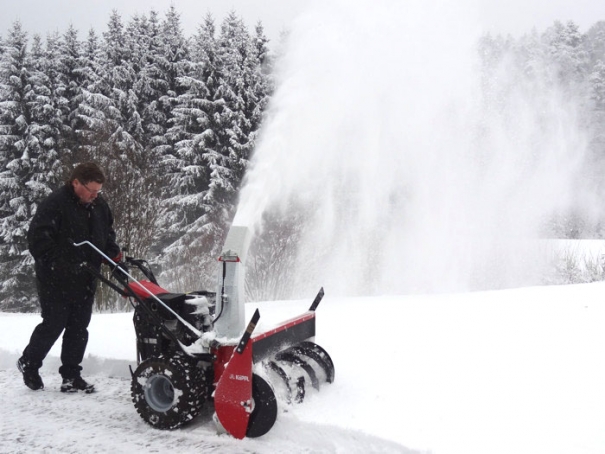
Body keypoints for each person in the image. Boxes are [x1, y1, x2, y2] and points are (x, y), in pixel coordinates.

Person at [17, 162, 122, 393]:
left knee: (78, 327)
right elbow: (39, 240)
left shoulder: (99, 205)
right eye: (91, 190)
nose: (94, 196)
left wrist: (113, 253)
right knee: (54, 324)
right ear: (76, 183)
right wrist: (61, 264)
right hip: (56, 278)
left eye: (98, 191)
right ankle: (30, 363)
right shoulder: (54, 205)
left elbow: (106, 233)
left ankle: (71, 376)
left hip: (86, 275)